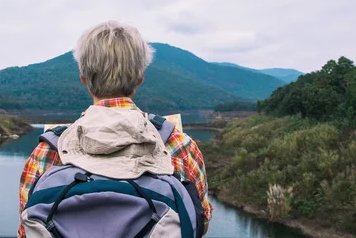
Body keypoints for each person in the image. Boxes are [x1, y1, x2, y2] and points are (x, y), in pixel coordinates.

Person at [17, 20, 213, 237]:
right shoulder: (178, 145)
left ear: (83, 79)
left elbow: (27, 230)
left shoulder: (49, 150)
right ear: (140, 78)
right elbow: (199, 223)